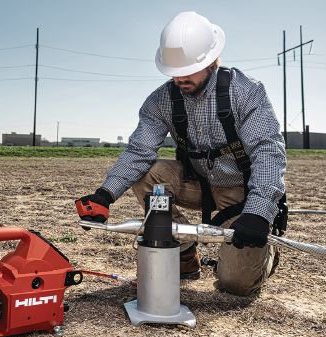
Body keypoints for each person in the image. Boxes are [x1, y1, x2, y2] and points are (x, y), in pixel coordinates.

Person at [75, 11, 287, 296]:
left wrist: (259, 213)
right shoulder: (160, 100)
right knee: (148, 175)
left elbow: (268, 151)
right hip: (197, 184)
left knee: (235, 285)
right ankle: (184, 255)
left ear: (212, 61)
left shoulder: (246, 92)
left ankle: (266, 251)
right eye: (174, 71)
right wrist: (105, 195)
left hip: (241, 193)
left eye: (189, 69)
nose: (180, 78)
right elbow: (139, 150)